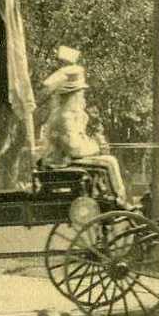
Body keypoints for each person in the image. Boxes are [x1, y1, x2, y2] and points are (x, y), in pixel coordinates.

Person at [39, 57, 129, 205]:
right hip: (60, 163)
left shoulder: (69, 115)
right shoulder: (64, 117)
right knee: (110, 161)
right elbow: (74, 149)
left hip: (65, 161)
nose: (82, 97)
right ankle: (119, 199)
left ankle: (111, 197)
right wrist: (96, 148)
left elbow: (77, 143)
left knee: (107, 161)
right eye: (80, 94)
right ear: (71, 96)